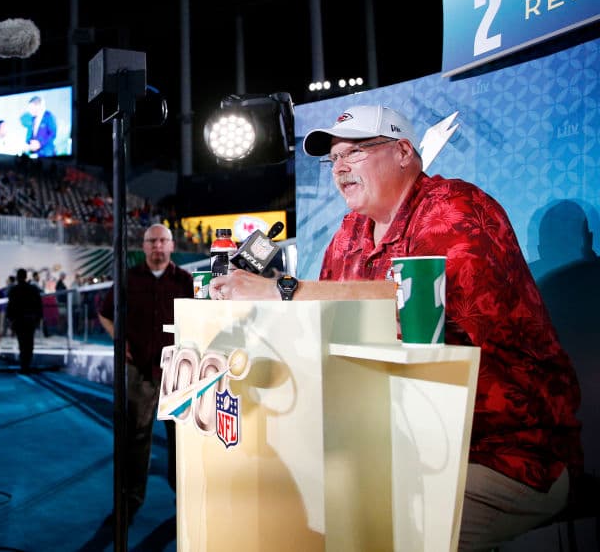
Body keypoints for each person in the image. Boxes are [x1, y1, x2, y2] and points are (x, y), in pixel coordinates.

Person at [210, 104, 583, 551]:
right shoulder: (349, 231)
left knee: (373, 531)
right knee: (283, 498)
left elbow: (412, 305)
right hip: (395, 443)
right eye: (334, 159)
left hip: (502, 451)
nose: (340, 167)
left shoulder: (456, 209)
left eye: (355, 152)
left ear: (404, 151)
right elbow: (321, 317)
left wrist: (282, 290)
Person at [98, 223, 193, 523]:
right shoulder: (128, 278)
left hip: (177, 370)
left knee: (180, 438)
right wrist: (119, 339)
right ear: (144, 246)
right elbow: (104, 312)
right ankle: (131, 500)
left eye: (163, 240)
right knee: (136, 437)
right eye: (152, 241)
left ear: (172, 245)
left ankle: (186, 497)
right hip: (139, 368)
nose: (158, 246)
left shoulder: (186, 280)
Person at [6, 268, 43, 374]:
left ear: (17, 277)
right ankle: (27, 364)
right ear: (26, 276)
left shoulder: (14, 290)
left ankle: (24, 365)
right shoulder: (32, 289)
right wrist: (38, 318)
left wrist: (10, 320)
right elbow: (38, 305)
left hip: (19, 320)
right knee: (29, 343)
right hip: (30, 320)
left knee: (22, 343)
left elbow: (10, 306)